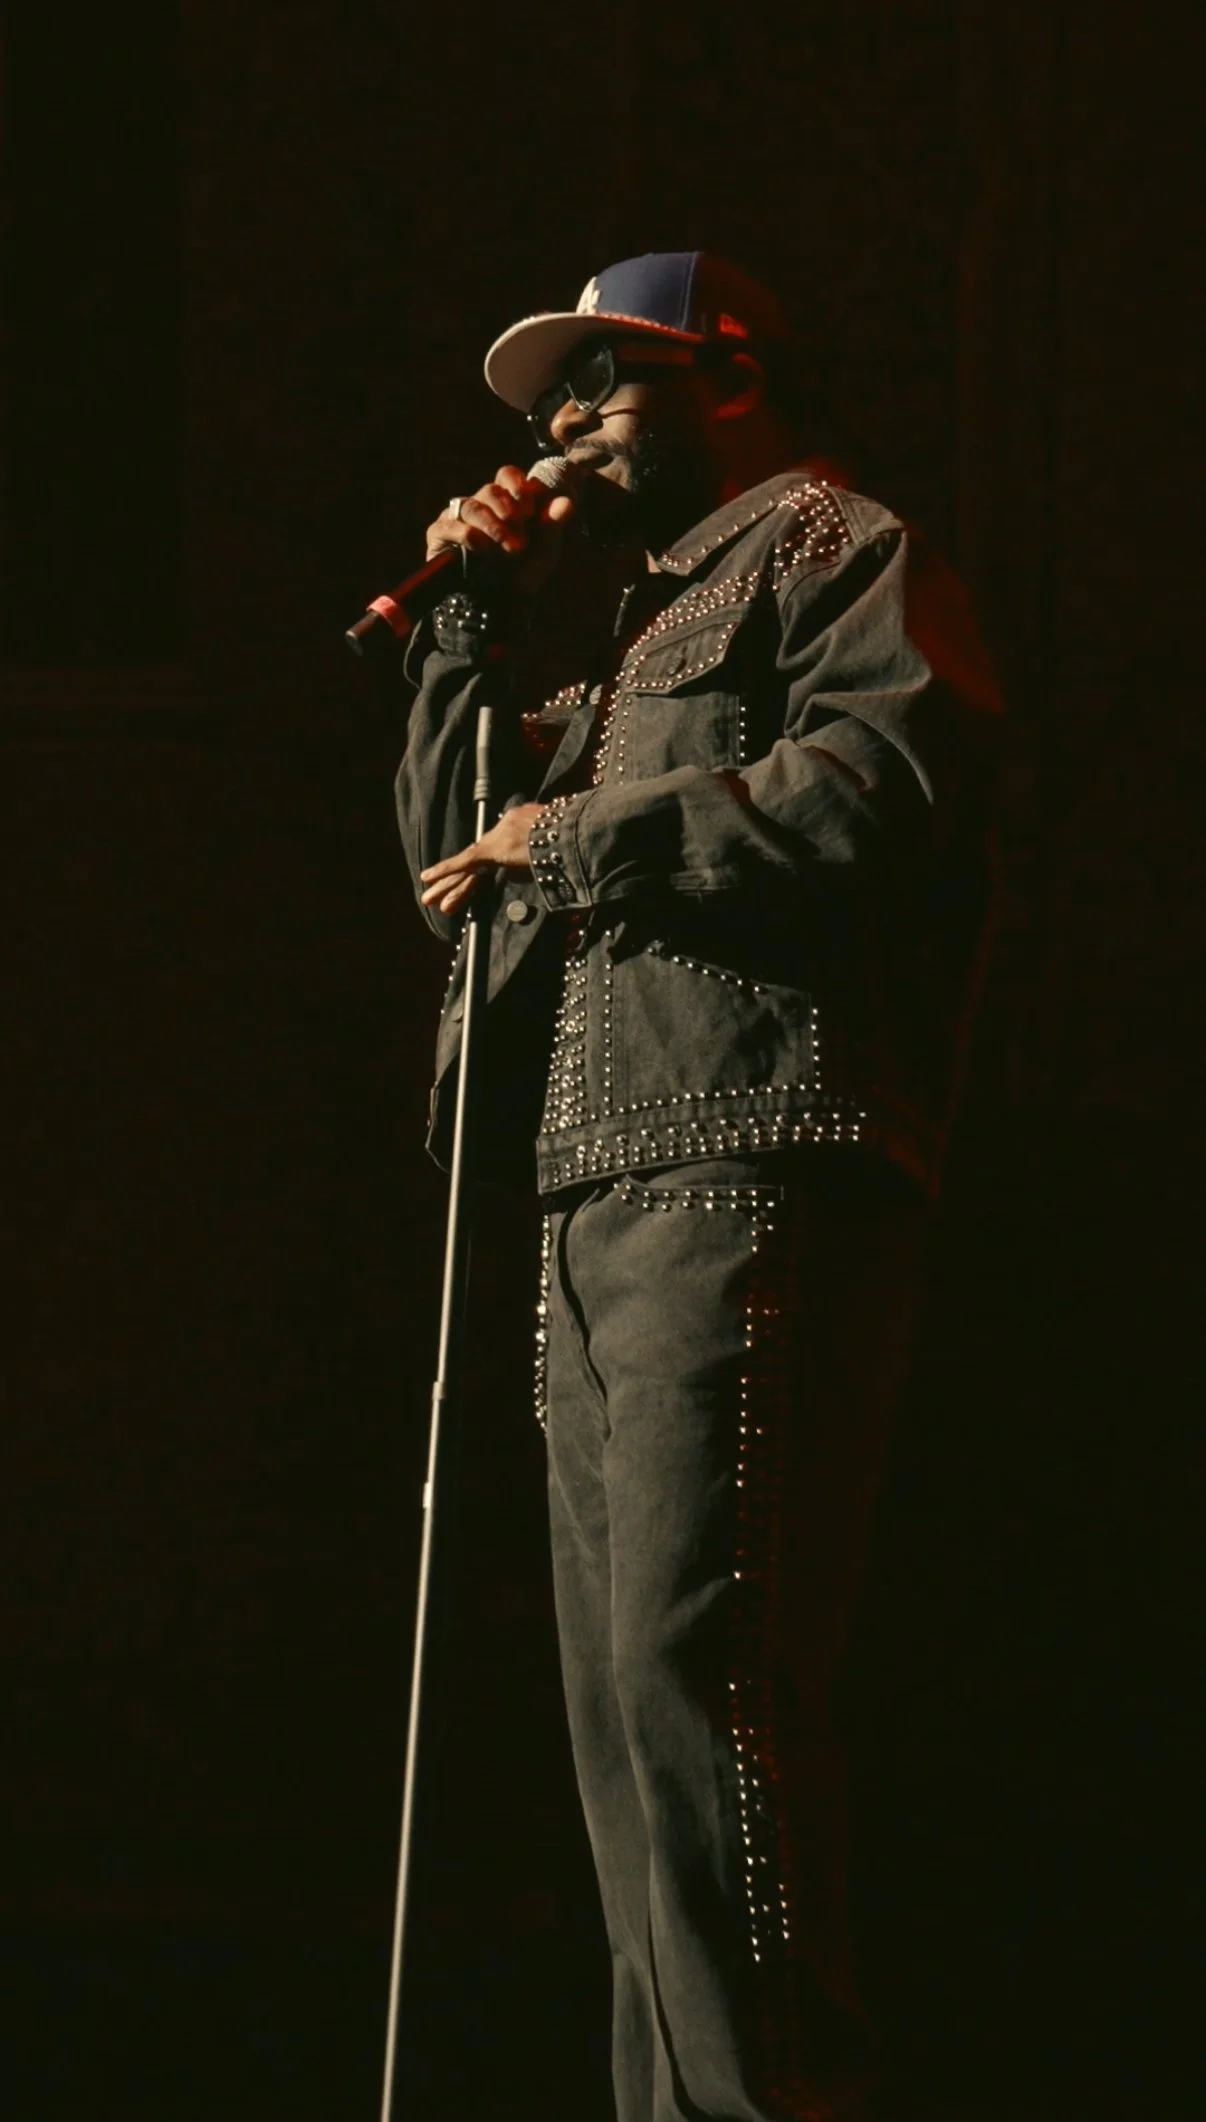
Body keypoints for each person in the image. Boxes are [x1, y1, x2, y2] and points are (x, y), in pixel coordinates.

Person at [393, 252, 1001, 2122]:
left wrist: (578, 831)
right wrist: (465, 632)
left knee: (695, 1684)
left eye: (602, 381)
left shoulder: (834, 548)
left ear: (727, 372)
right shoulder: (629, 637)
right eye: (544, 401)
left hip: (749, 1156)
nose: (560, 423)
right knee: (620, 1726)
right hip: (594, 1188)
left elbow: (881, 787)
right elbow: (450, 872)